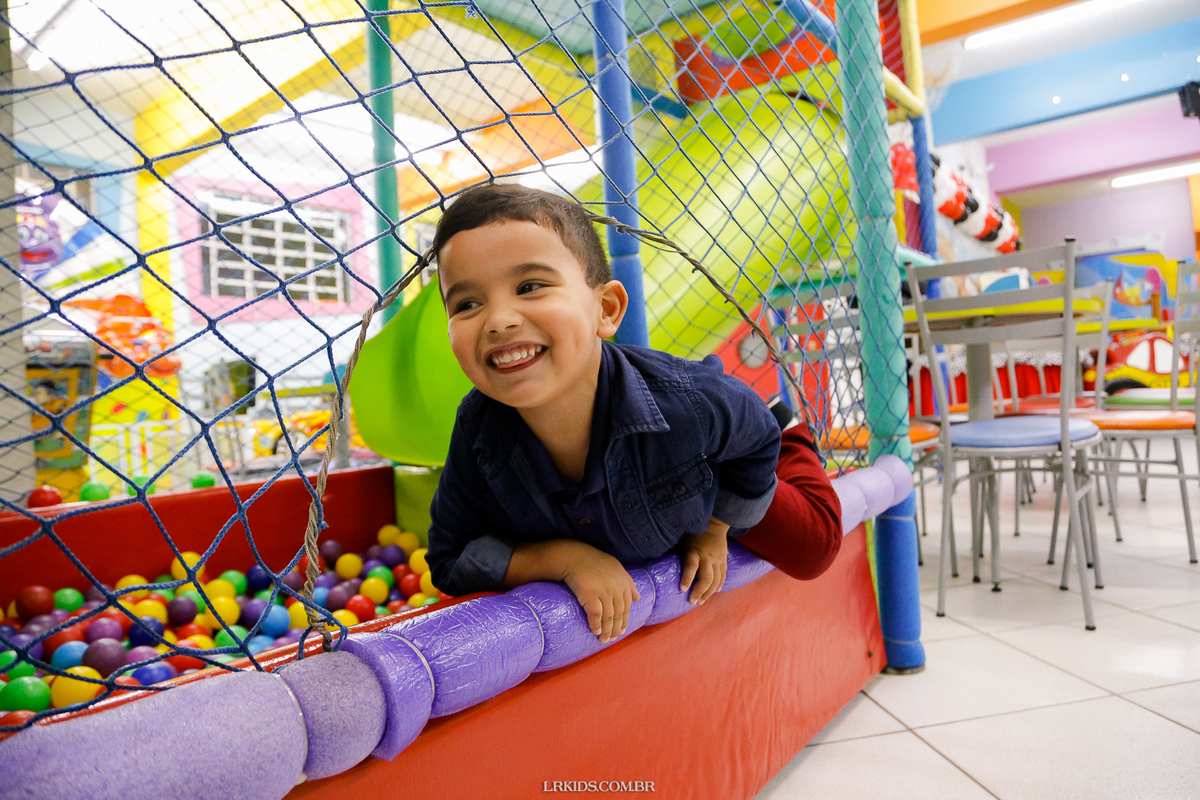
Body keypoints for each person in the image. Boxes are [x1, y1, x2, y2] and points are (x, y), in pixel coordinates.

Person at [426, 184, 842, 644]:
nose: (498, 320)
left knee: (813, 550)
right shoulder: (479, 432)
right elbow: (448, 560)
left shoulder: (687, 404)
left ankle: (792, 431)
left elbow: (756, 437)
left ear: (606, 310)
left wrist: (714, 528)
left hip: (720, 459)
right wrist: (563, 559)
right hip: (645, 492)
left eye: (530, 287)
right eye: (467, 304)